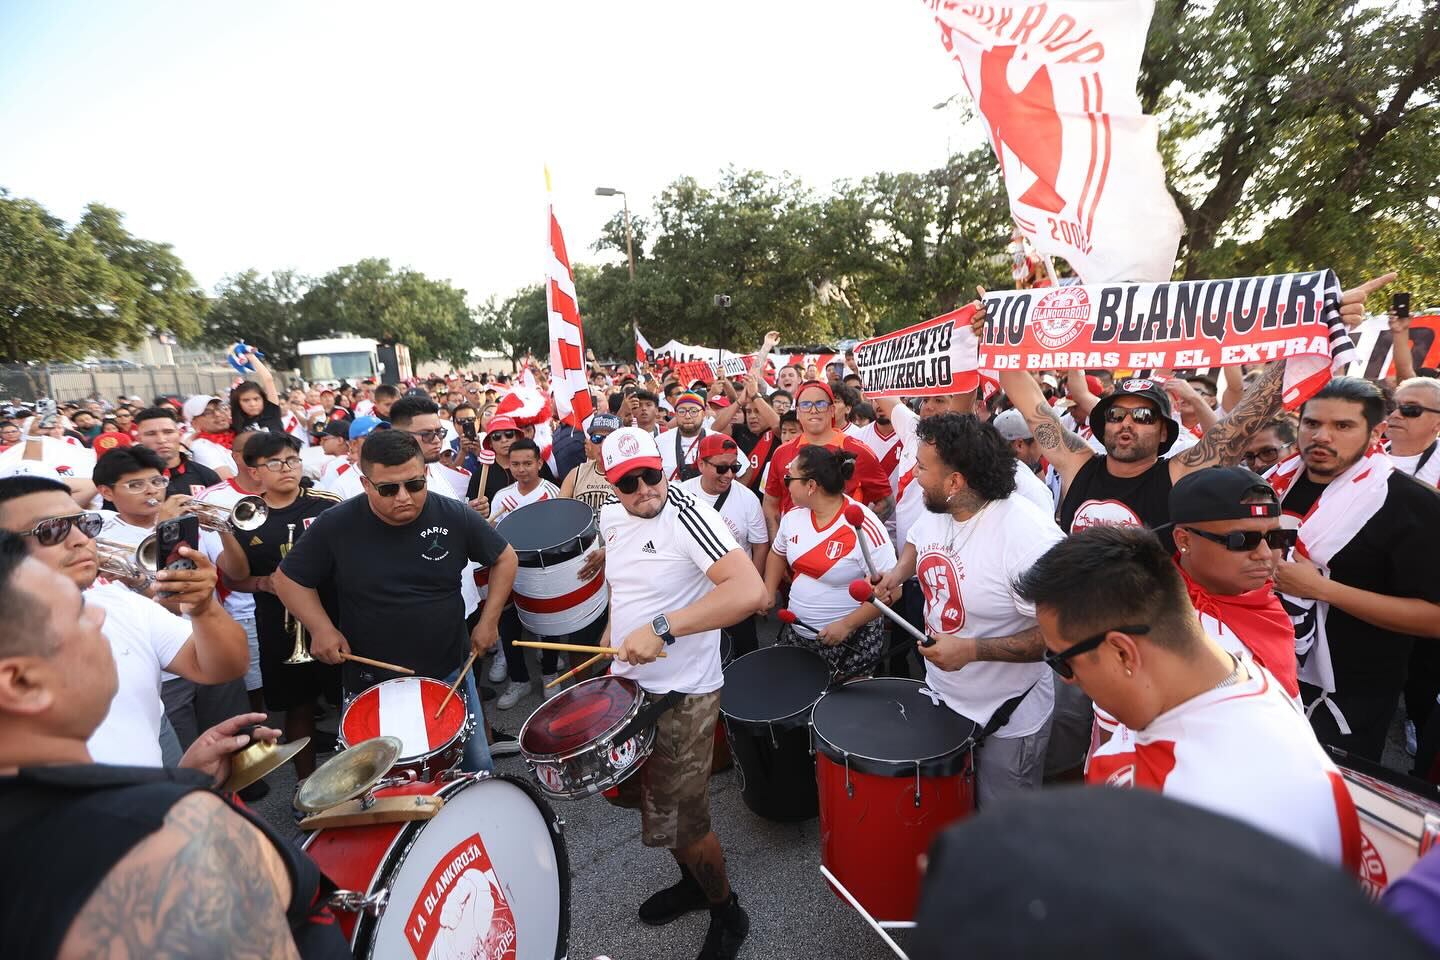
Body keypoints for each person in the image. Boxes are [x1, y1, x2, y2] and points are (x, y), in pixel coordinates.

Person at [0, 532, 350, 959]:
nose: (97, 619)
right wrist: (179, 801)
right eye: (78, 614)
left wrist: (186, 778)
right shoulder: (170, 836)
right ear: (21, 682)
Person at [1016, 525, 1361, 869]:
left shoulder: (1183, 805)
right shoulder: (1244, 677)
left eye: (1061, 662)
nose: (1070, 681)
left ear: (1122, 653)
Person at [598, 426, 764, 959]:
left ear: (666, 468)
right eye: (629, 482)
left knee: (683, 819)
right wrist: (611, 639)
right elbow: (625, 588)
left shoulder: (690, 514)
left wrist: (663, 628)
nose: (645, 489)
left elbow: (749, 591)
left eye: (652, 475)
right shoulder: (610, 517)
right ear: (611, 483)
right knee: (654, 804)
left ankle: (726, 910)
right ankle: (694, 885)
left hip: (683, 694)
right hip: (630, 687)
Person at [273, 430, 517, 774]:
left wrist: (489, 620)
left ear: (425, 475)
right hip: (371, 679)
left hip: (449, 671)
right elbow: (286, 579)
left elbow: (505, 557)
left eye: (415, 485)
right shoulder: (337, 524)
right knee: (385, 779)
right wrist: (321, 628)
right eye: (388, 489)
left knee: (474, 770)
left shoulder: (452, 514)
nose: (404, 497)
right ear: (365, 483)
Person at [873, 414, 1060, 805]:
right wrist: (898, 574)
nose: (915, 475)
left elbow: (1062, 637)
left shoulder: (1027, 538)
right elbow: (920, 543)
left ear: (955, 481)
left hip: (1008, 718)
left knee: (1004, 835)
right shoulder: (941, 507)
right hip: (945, 699)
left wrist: (972, 650)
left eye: (922, 468)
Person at [0, 475, 249, 767]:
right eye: (52, 530)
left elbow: (223, 668)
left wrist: (203, 606)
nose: (82, 540)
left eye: (86, 524)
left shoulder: (117, 601)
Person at [1267, 377, 1440, 762]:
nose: (1321, 436)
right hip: (1261, 672)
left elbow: (1433, 618)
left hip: (1346, 699)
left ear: (1377, 431)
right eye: (1312, 424)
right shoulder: (1273, 483)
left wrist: (1324, 590)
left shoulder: (1408, 505)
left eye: (1343, 426)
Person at [91, 447, 255, 751]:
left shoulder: (187, 519)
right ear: (106, 492)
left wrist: (224, 528)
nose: (151, 491)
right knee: (188, 755)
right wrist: (163, 528)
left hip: (211, 643)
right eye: (135, 485)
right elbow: (170, 599)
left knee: (236, 748)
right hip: (165, 669)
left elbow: (237, 571)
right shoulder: (101, 534)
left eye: (157, 481)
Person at [227, 432, 341, 778]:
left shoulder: (327, 504)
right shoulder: (245, 516)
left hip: (335, 616)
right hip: (278, 623)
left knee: (348, 699)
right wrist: (264, 583)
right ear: (255, 471)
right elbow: (235, 577)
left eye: (292, 459)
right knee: (298, 706)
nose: (286, 468)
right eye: (274, 463)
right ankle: (305, 785)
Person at [767, 446, 894, 676]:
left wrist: (847, 625)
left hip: (849, 643)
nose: (786, 483)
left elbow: (894, 591)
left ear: (811, 486)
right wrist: (768, 592)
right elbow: (777, 552)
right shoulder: (794, 516)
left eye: (789, 478)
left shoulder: (862, 524)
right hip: (799, 635)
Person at [762, 380, 893, 536]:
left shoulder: (858, 451)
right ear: (797, 411)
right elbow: (770, 504)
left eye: (821, 404)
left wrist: (858, 535)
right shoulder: (781, 453)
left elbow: (886, 502)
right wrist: (780, 546)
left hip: (843, 553)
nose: (813, 410)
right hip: (794, 552)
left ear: (832, 410)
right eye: (805, 405)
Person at [684, 434, 770, 660]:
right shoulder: (682, 494)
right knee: (699, 657)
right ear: (701, 464)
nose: (730, 475)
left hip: (735, 598)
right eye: (722, 468)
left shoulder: (748, 499)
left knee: (746, 657)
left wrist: (755, 587)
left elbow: (760, 546)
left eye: (735, 467)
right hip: (694, 597)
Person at [132, 406, 222, 499]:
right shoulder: (128, 478)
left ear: (180, 434)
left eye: (168, 432)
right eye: (151, 434)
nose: (161, 440)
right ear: (139, 439)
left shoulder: (205, 475)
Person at [992, 408, 1062, 510]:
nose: (1043, 446)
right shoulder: (1035, 490)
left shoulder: (982, 473)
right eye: (1039, 440)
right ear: (1019, 445)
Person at [560, 411, 620, 518]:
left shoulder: (630, 473)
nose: (603, 444)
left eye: (610, 438)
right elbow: (559, 512)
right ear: (589, 443)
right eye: (597, 438)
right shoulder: (576, 474)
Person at [1386, 376, 1440, 488]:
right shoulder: (1360, 449)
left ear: (1438, 424)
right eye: (1392, 407)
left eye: (1410, 409)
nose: (1395, 415)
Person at [660, 392, 711, 481]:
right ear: (675, 414)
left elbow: (742, 471)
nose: (687, 416)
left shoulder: (716, 438)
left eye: (694, 411)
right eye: (682, 411)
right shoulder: (660, 441)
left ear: (703, 414)